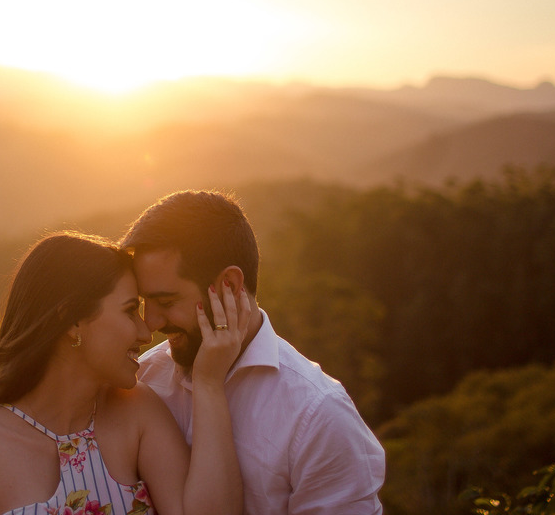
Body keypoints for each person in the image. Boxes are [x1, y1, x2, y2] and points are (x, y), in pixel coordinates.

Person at [0, 231, 250, 515]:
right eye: (130, 311)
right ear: (72, 320)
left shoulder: (136, 412)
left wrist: (208, 385)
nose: (146, 332)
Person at [122, 190, 386, 515]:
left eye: (166, 302)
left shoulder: (318, 416)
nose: (151, 324)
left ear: (229, 286)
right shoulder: (142, 379)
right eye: (145, 303)